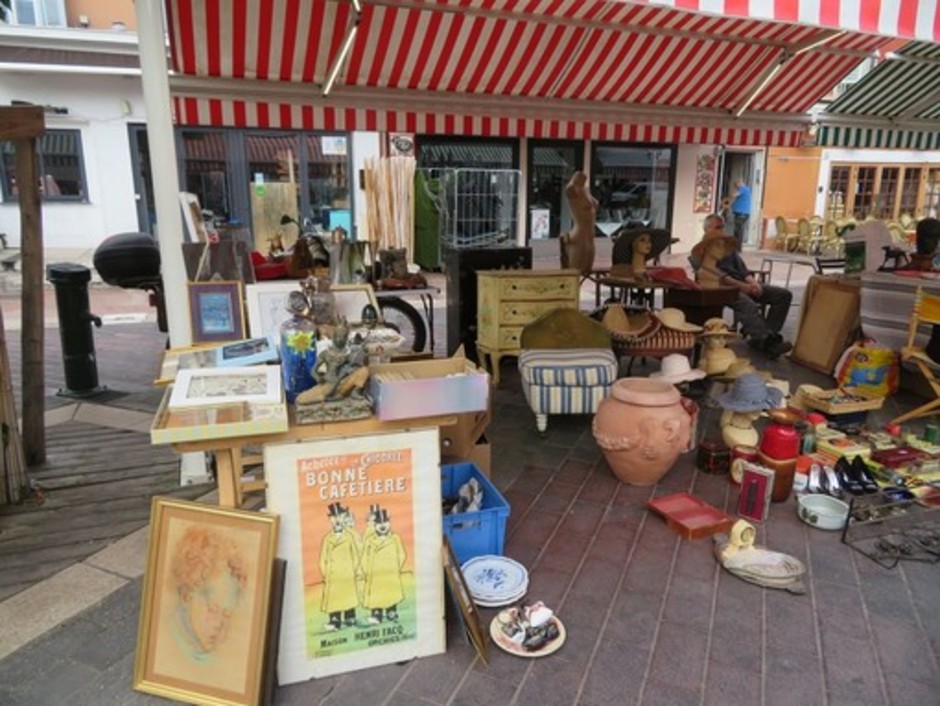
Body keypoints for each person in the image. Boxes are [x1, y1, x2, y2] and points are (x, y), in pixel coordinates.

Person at [691, 214, 793, 359]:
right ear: (707, 229)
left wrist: (753, 283)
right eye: (717, 227)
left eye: (722, 227)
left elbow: (743, 270)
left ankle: (765, 336)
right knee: (747, 304)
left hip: (741, 283)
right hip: (721, 288)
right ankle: (766, 341)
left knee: (783, 295)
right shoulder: (699, 252)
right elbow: (717, 276)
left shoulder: (727, 249)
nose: (722, 230)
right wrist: (743, 287)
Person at [730, 179, 751, 247]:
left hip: (742, 213)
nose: (737, 187)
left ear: (740, 183)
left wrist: (733, 191)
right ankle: (736, 245)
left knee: (738, 230)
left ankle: (737, 246)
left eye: (737, 185)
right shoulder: (743, 189)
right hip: (740, 213)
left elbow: (734, 195)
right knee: (738, 229)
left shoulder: (744, 189)